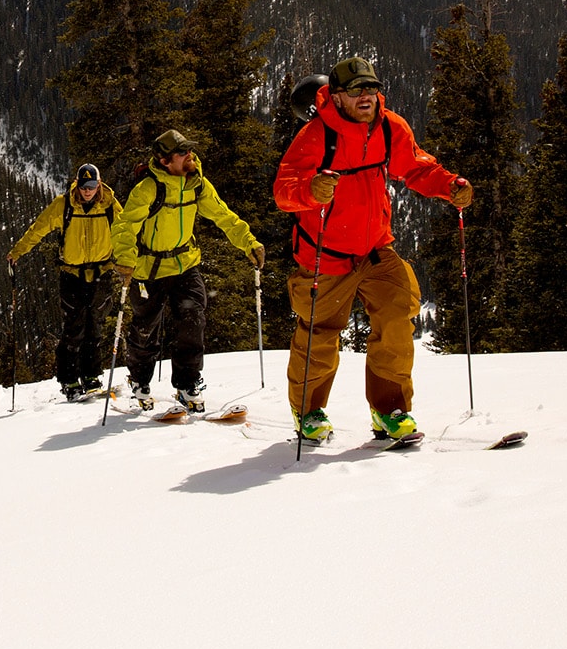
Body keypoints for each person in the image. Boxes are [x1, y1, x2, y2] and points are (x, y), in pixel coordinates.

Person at [273, 56, 474, 443]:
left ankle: (390, 410)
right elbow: (284, 191)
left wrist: (450, 186)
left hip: (376, 248)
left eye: (371, 88)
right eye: (356, 90)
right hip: (326, 254)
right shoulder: (315, 137)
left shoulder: (388, 127)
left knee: (399, 314)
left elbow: (416, 167)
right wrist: (310, 191)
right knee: (319, 333)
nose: (366, 96)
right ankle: (308, 410)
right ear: (337, 96)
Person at [111, 129, 264, 413]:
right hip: (149, 270)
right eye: (183, 152)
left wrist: (249, 243)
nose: (190, 155)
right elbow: (125, 226)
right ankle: (140, 380)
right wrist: (125, 259)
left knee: (193, 320)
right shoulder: (148, 188)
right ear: (166, 160)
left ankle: (187, 383)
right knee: (146, 329)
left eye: (189, 150)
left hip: (185, 264)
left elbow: (223, 216)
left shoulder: (197, 184)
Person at [8, 163, 121, 401]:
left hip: (102, 273)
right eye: (83, 186)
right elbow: (38, 228)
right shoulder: (65, 205)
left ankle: (91, 376)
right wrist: (18, 251)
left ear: (99, 184)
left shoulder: (110, 205)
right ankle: (69, 378)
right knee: (74, 326)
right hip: (72, 274)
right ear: (77, 184)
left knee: (95, 325)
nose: (87, 191)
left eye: (91, 186)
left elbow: (126, 232)